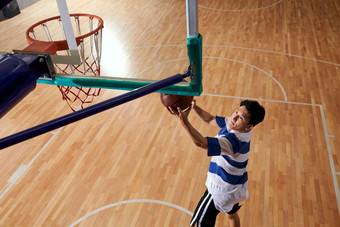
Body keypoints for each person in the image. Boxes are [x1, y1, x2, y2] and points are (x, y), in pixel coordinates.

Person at [168, 99, 265, 227]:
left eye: (240, 117)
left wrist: (184, 122)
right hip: (235, 187)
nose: (234, 117)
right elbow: (209, 119)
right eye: (236, 111)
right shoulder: (238, 126)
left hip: (221, 190)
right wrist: (193, 107)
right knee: (231, 214)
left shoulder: (234, 142)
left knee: (199, 223)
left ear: (249, 126)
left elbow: (201, 143)